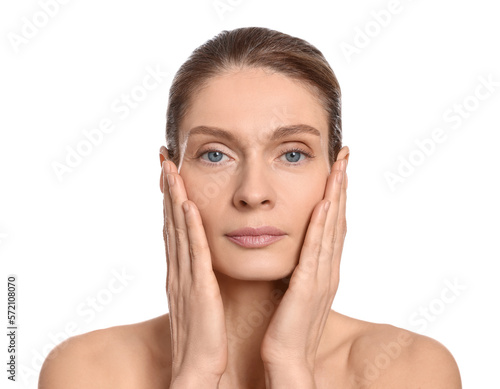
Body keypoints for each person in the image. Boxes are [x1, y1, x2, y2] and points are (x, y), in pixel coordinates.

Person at [38, 26, 461, 388]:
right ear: (169, 174)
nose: (253, 193)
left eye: (292, 154)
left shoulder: (408, 368)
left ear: (337, 173)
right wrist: (195, 373)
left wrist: (290, 365)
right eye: (216, 154)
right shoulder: (86, 370)